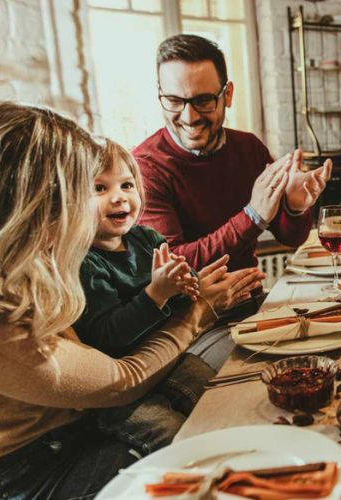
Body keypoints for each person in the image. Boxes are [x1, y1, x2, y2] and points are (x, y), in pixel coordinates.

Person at [0, 102, 259, 498]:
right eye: (83, 192)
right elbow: (120, 382)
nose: (80, 217)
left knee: (230, 407)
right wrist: (198, 312)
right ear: (30, 207)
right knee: (200, 464)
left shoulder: (34, 263)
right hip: (41, 467)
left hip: (81, 420)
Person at [74, 139, 241, 455]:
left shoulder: (146, 238)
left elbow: (180, 291)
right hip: (123, 388)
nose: (119, 197)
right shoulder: (85, 262)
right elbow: (108, 335)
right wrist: (156, 294)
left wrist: (189, 285)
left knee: (221, 403)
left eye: (126, 184)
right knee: (175, 438)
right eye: (100, 188)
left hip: (169, 361)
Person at [134, 34, 332, 272]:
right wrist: (252, 216)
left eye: (204, 100)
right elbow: (173, 265)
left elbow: (291, 238)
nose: (189, 117)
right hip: (193, 309)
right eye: (174, 100)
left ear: (227, 95)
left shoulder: (249, 148)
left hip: (250, 299)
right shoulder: (145, 167)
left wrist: (294, 207)